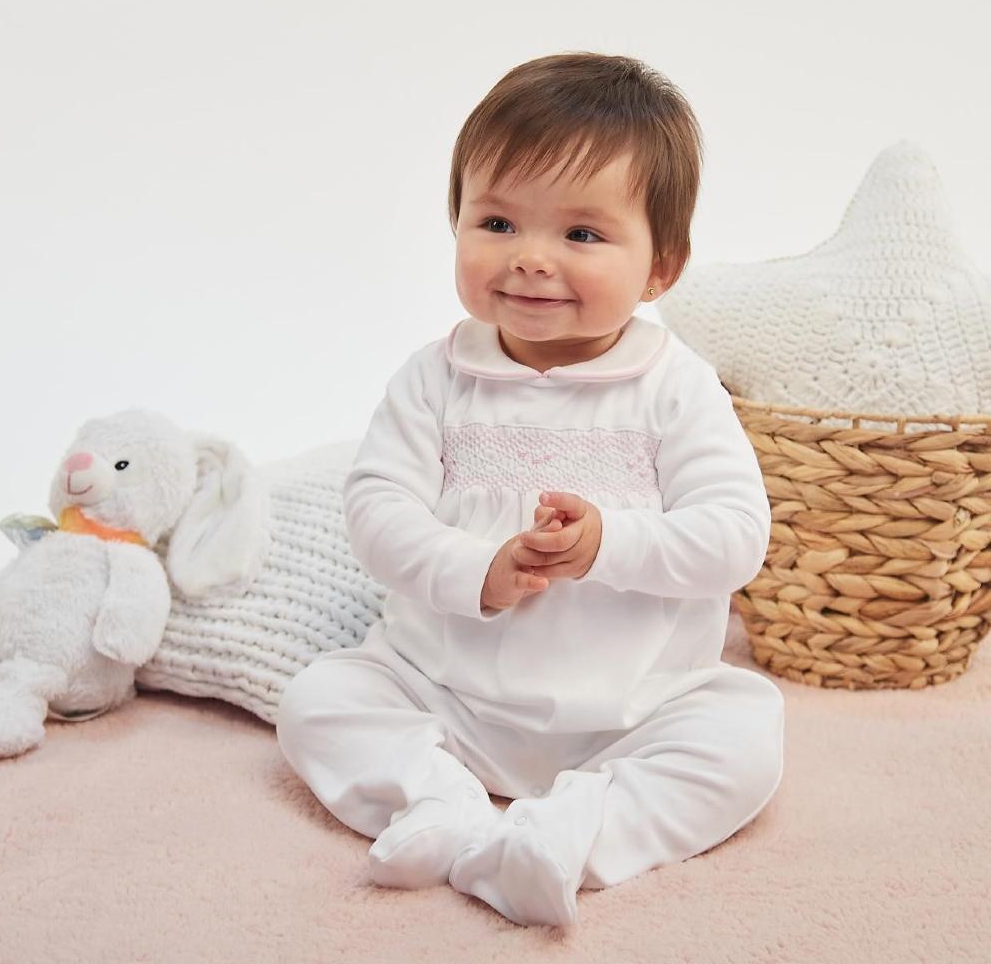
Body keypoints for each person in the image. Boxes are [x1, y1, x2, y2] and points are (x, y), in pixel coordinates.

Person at [276, 51, 784, 928]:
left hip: (636, 707)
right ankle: (437, 800)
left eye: (582, 236)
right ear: (457, 224)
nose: (531, 261)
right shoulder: (435, 379)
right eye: (499, 223)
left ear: (662, 266)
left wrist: (607, 546)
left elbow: (737, 534)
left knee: (744, 738)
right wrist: (478, 569)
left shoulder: (675, 387)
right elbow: (375, 511)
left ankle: (569, 833)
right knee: (318, 700)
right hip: (445, 691)